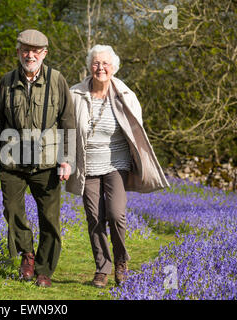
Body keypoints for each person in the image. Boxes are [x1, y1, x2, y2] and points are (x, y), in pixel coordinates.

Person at [66, 44, 169, 288]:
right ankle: (102, 268)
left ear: (114, 67)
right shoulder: (75, 94)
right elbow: (67, 130)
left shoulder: (126, 96)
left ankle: (121, 261)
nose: (100, 68)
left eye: (105, 64)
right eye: (96, 63)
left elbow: (137, 132)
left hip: (117, 163)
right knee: (94, 216)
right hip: (87, 164)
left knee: (115, 213)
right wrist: (65, 160)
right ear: (89, 66)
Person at [0, 29, 75, 288]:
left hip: (47, 162)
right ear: (18, 52)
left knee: (50, 218)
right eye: (25, 50)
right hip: (12, 159)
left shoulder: (57, 81)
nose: (30, 55)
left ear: (44, 54)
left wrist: (66, 158)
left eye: (36, 51)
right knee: (12, 210)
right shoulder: (6, 82)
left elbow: (68, 121)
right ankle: (27, 254)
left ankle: (44, 269)